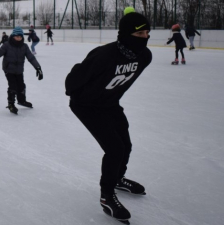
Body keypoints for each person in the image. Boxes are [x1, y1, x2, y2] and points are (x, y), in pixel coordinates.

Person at [65, 7, 151, 224]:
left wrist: (109, 97)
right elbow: (74, 79)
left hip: (110, 104)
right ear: (125, 35)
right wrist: (82, 96)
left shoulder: (145, 57)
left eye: (147, 33)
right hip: (86, 106)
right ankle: (107, 197)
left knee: (126, 144)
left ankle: (118, 178)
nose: (145, 38)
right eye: (140, 34)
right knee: (115, 148)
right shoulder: (104, 55)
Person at [0, 27, 43, 115]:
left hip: (19, 70)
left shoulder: (24, 46)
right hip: (8, 69)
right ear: (13, 36)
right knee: (13, 86)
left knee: (21, 85)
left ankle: (22, 101)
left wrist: (38, 68)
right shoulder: (7, 45)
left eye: (20, 36)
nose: (19, 38)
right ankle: (11, 104)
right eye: (17, 36)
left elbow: (31, 58)